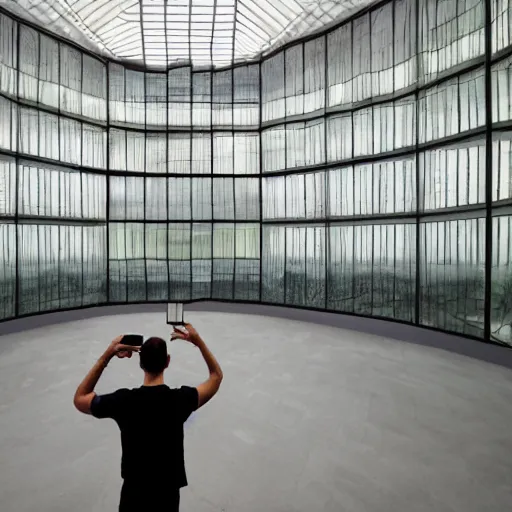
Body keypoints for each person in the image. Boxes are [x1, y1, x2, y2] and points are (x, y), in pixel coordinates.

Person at [73, 323, 223, 512]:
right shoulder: (180, 400)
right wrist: (197, 341)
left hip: (133, 496)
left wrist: (109, 353)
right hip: (166, 497)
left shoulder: (124, 401)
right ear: (167, 362)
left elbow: (80, 398)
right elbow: (216, 377)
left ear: (140, 363)